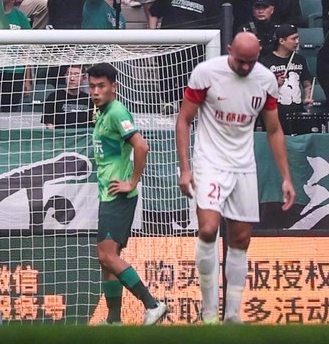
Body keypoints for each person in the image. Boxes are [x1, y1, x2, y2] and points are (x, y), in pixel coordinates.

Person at [174, 29, 294, 324]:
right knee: (208, 229)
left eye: (250, 62)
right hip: (209, 161)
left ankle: (233, 315)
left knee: (240, 238)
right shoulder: (206, 73)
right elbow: (183, 120)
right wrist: (186, 169)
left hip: (243, 165)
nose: (244, 67)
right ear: (229, 50)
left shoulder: (265, 80)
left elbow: (274, 129)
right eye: (240, 60)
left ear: (258, 54)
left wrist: (286, 177)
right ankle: (209, 311)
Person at [85, 62, 164, 323]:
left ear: (114, 88)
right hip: (108, 195)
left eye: (101, 86)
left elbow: (142, 146)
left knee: (106, 255)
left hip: (118, 196)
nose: (95, 91)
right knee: (107, 260)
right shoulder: (101, 112)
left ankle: (152, 305)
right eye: (92, 86)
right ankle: (114, 320)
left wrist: (132, 181)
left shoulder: (117, 112)